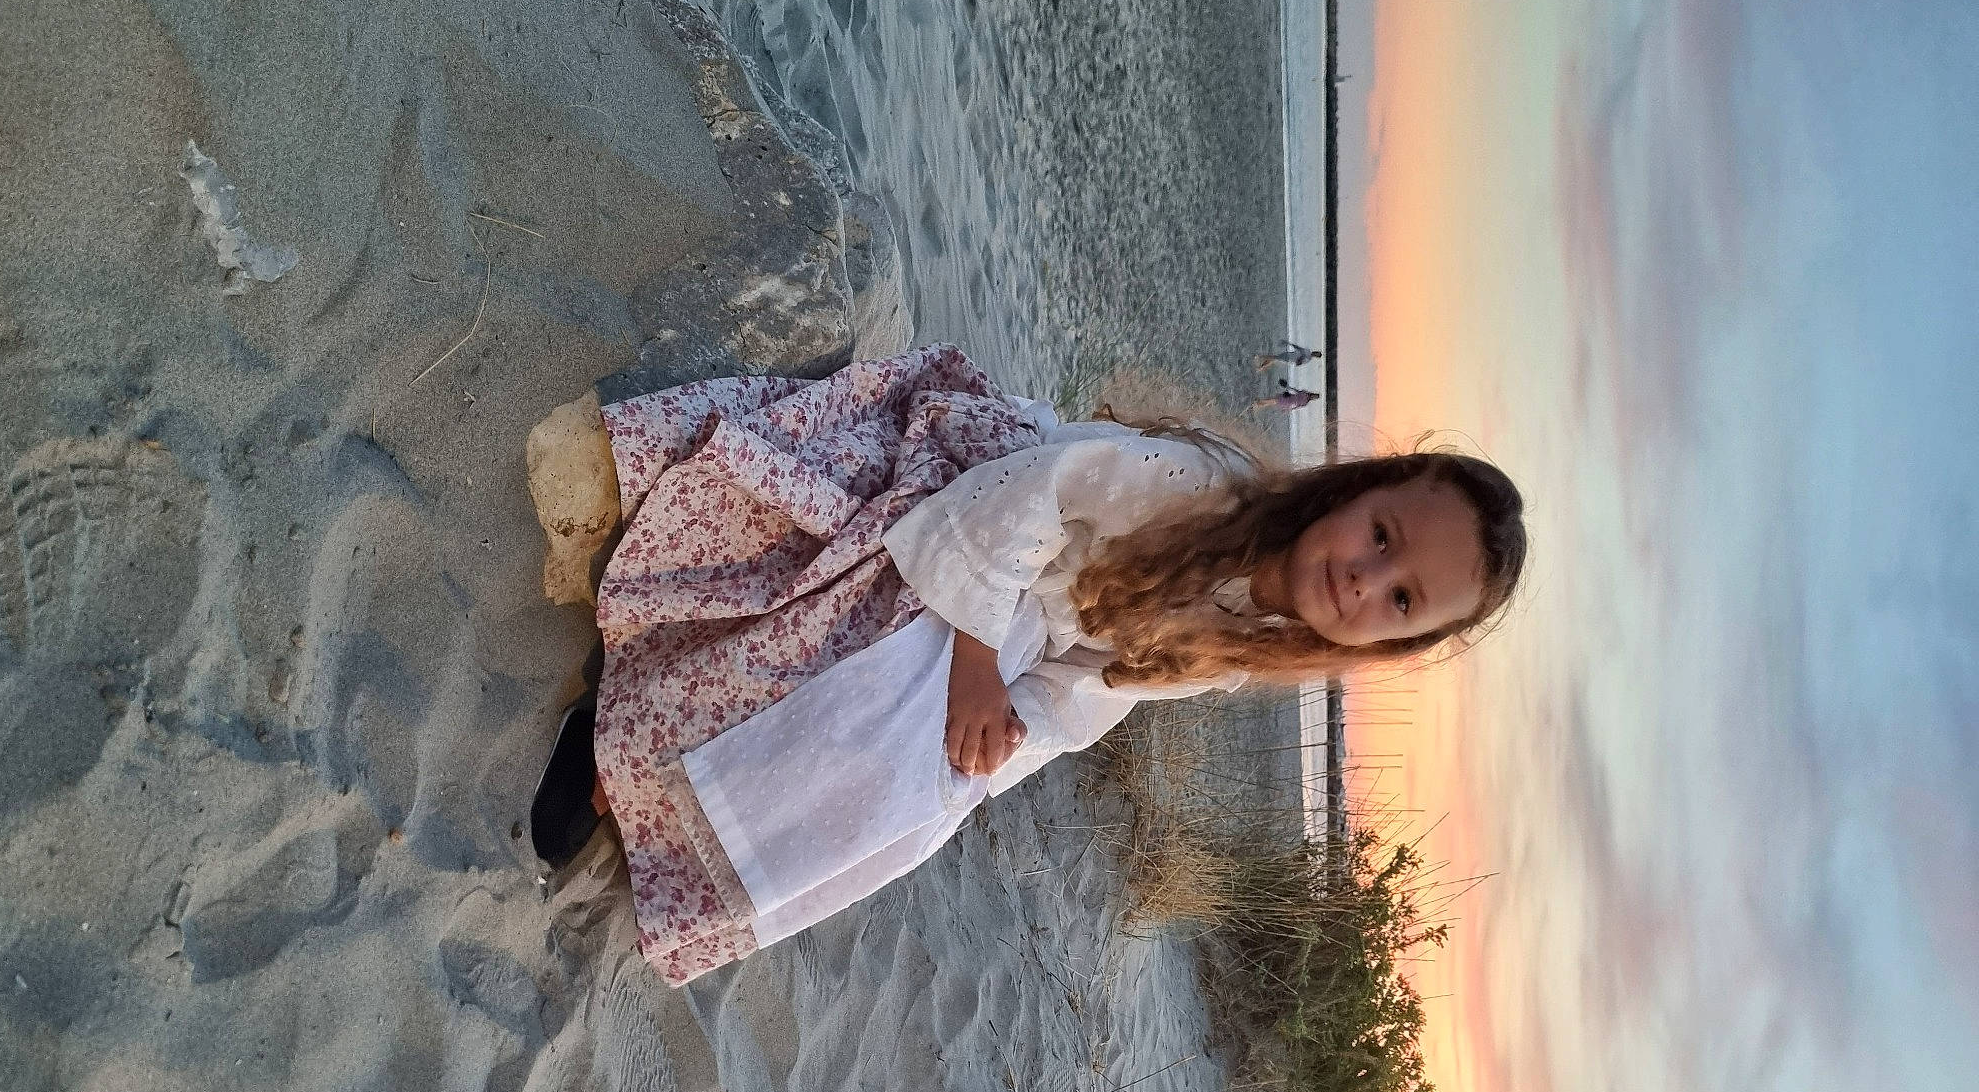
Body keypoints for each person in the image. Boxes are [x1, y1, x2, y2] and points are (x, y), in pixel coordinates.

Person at [532, 344, 1525, 985]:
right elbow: (1016, 502)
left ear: (1388, 643)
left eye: (1398, 600)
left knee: (921, 790)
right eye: (1383, 535)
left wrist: (1006, 728)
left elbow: (1094, 690)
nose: (1362, 577)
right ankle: (622, 740)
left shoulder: (1242, 647)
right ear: (1363, 489)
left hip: (1010, 632)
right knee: (873, 687)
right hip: (970, 523)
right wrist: (972, 669)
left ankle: (693, 809)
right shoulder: (1199, 491)